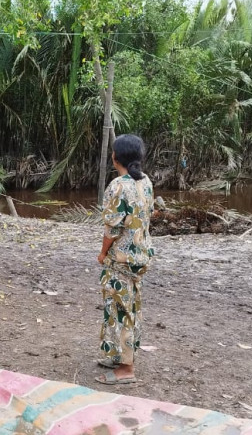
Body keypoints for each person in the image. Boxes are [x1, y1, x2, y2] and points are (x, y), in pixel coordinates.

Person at [95, 134, 155, 386]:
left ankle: (126, 368)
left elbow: (112, 229)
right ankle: (118, 354)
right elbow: (149, 213)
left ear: (115, 157)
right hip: (141, 255)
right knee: (126, 306)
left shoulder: (118, 185)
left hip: (121, 259)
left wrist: (102, 252)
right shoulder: (146, 182)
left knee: (122, 311)